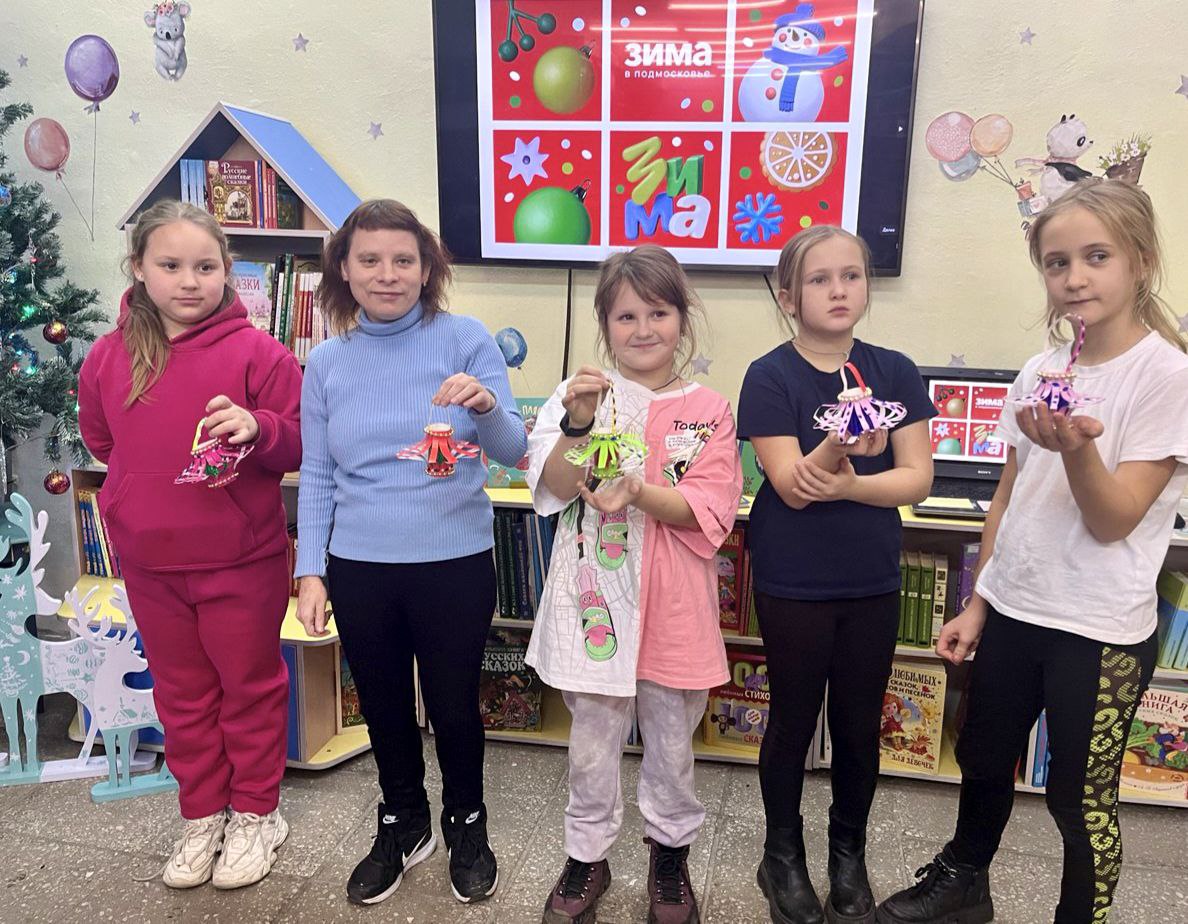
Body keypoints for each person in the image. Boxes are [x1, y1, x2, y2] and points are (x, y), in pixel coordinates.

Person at [877, 180, 1188, 923]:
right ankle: (964, 884)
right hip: (1017, 610)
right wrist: (979, 601)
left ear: (1141, 261)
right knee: (983, 760)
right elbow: (1009, 502)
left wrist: (1077, 449)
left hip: (1099, 631)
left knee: (1079, 801)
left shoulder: (1167, 377)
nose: (1074, 277)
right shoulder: (1039, 370)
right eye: (1057, 262)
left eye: (1096, 256)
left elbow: (1114, 520)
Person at [293, 199, 526, 906]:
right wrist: (310, 571)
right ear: (344, 268)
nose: (387, 274)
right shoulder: (327, 362)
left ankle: (467, 822)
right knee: (384, 707)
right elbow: (318, 474)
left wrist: (486, 406)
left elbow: (513, 451)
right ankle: (403, 821)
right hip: (360, 567)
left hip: (454, 561)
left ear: (427, 269)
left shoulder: (466, 339)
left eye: (403, 260)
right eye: (370, 259)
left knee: (455, 707)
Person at [79, 199, 302, 890]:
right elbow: (103, 441)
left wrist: (258, 427)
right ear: (139, 268)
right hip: (151, 562)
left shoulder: (261, 354)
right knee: (182, 696)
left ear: (227, 271)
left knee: (249, 689)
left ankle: (256, 813)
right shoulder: (108, 356)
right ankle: (203, 814)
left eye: (205, 267)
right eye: (171, 265)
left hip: (242, 559)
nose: (188, 281)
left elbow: (300, 444)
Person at [527, 245, 743, 924]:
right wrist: (579, 423)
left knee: (673, 741)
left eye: (659, 313)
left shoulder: (709, 410)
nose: (643, 329)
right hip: (596, 598)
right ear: (605, 324)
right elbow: (554, 486)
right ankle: (586, 855)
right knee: (592, 741)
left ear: (682, 318)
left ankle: (669, 855)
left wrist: (642, 492)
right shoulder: (578, 396)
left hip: (675, 603)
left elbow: (711, 507)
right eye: (626, 316)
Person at [737, 226, 934, 924]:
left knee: (857, 725)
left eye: (851, 275)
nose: (839, 289)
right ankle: (781, 855)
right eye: (819, 279)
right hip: (793, 579)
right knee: (792, 720)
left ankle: (847, 855)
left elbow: (916, 477)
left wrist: (850, 484)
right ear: (789, 297)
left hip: (871, 579)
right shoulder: (770, 375)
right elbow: (792, 487)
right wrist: (838, 447)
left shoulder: (895, 371)